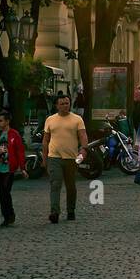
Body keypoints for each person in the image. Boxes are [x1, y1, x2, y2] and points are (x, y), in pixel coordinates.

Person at [43, 93, 88, 224]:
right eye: (62, 103)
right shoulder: (50, 120)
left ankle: (71, 210)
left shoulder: (77, 119)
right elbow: (45, 140)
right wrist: (44, 159)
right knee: (55, 184)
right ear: (56, 105)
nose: (65, 105)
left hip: (71, 158)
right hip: (54, 157)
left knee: (70, 186)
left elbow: (83, 136)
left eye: (67, 103)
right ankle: (54, 212)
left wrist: (84, 149)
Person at [0, 111, 27, 226]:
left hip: (10, 168)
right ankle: (7, 216)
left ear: (7, 121)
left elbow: (20, 151)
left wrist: (22, 167)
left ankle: (9, 215)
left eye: (1, 121)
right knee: (1, 192)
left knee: (6, 191)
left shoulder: (14, 134)